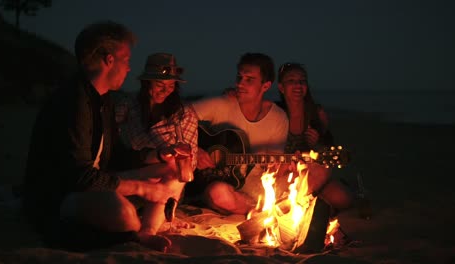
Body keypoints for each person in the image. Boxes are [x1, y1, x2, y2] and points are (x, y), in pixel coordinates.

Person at [23, 21, 185, 252]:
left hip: (96, 181)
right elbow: (79, 177)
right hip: (63, 196)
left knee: (171, 169)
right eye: (126, 60)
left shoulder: (104, 99)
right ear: (109, 59)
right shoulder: (73, 101)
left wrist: (158, 155)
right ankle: (132, 230)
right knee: (122, 213)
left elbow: (115, 154)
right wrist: (140, 188)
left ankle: (146, 230)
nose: (129, 68)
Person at [188, 52, 290, 215]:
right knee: (218, 193)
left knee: (314, 174)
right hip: (214, 181)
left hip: (253, 184)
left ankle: (254, 210)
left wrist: (283, 165)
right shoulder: (222, 104)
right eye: (239, 77)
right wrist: (193, 149)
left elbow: (273, 167)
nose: (240, 84)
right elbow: (179, 117)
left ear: (265, 86)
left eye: (249, 80)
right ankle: (259, 212)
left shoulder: (278, 118)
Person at [113, 52, 198, 228]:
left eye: (171, 85)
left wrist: (180, 154)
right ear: (146, 83)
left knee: (175, 167)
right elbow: (111, 137)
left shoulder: (183, 113)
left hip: (167, 182)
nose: (165, 90)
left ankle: (150, 229)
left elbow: (190, 164)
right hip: (133, 172)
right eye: (160, 84)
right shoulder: (127, 105)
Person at [277, 62, 354, 252]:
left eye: (302, 81)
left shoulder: (316, 113)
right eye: (291, 81)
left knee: (344, 198)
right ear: (281, 87)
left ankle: (309, 204)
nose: (298, 85)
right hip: (283, 177)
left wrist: (317, 144)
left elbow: (329, 153)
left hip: (313, 177)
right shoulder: (274, 111)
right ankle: (308, 206)